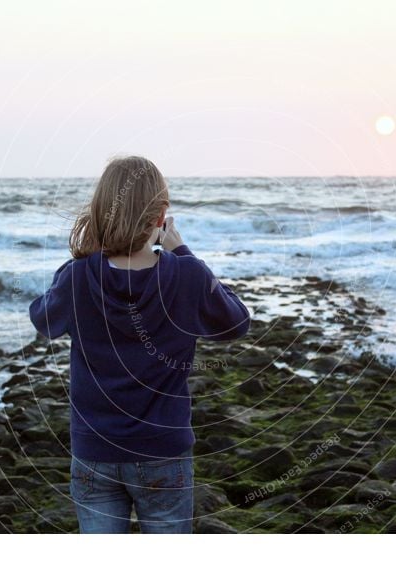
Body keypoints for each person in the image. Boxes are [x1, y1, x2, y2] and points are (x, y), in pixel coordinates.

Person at [28, 155, 250, 533]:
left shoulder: (79, 277)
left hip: (94, 451)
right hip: (163, 451)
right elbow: (236, 321)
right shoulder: (186, 274)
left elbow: (43, 320)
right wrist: (183, 251)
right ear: (162, 216)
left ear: (100, 211)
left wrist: (82, 262)